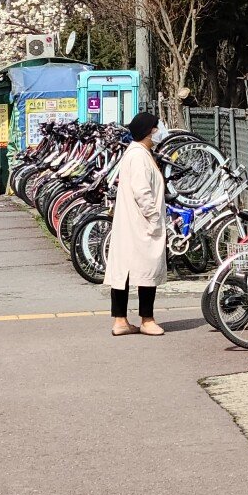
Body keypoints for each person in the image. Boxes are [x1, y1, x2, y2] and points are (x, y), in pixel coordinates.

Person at [102, 110, 167, 337]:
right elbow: (142, 191)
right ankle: (146, 319)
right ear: (150, 132)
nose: (160, 131)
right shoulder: (139, 156)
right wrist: (154, 217)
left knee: (126, 271)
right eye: (157, 127)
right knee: (145, 270)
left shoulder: (136, 153)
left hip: (132, 222)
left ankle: (120, 320)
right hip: (141, 223)